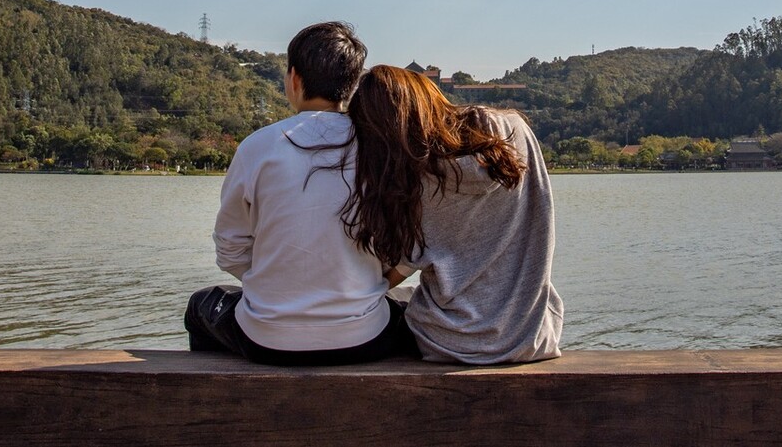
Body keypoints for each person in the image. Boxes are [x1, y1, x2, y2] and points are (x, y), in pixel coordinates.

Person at [184, 23, 413, 365]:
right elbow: (413, 248)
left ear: (293, 78)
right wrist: (370, 280)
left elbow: (230, 251)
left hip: (266, 340)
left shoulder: (257, 147)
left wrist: (278, 284)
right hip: (364, 339)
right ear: (351, 85)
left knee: (200, 305)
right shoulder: (380, 148)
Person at [343, 65, 563, 364]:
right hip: (532, 336)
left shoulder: (411, 184)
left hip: (448, 343)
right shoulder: (517, 132)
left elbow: (391, 274)